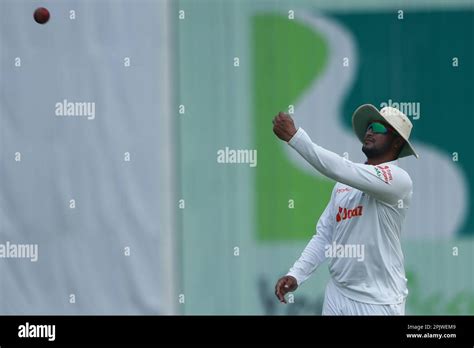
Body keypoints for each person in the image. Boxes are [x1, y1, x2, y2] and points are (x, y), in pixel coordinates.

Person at [272, 104, 419, 315]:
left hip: (379, 302)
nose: (369, 131)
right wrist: (296, 274)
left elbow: (342, 168)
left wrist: (296, 138)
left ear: (396, 142)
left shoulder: (399, 180)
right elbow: (325, 236)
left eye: (378, 127)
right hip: (338, 294)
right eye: (369, 126)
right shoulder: (344, 185)